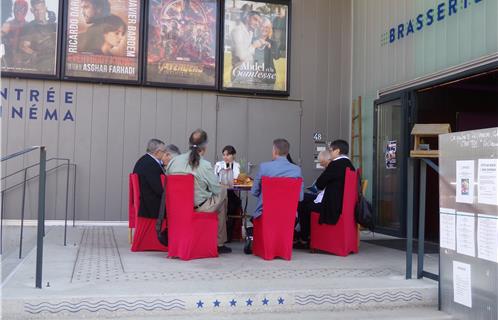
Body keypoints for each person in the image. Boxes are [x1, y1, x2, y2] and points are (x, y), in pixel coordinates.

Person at [167, 129, 232, 254]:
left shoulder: (173, 162)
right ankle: (219, 242)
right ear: (205, 146)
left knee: (218, 198)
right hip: (198, 207)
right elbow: (215, 189)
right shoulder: (205, 165)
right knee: (223, 192)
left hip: (176, 208)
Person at [295, 150, 332, 247]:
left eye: (322, 163)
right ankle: (303, 233)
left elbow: (320, 184)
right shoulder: (334, 168)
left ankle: (304, 235)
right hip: (323, 196)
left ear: (327, 159)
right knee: (301, 197)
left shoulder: (330, 169)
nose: (322, 165)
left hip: (324, 199)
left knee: (302, 202)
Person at [17, 0, 57, 73]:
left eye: (41, 9)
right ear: (32, 11)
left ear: (46, 8)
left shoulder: (54, 25)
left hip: (55, 65)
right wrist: (37, 54)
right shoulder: (29, 27)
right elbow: (23, 46)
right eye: (36, 10)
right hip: (40, 65)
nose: (39, 13)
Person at [133, 139, 167, 219]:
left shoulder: (143, 160)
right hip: (151, 206)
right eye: (164, 151)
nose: (165, 153)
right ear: (157, 152)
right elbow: (159, 190)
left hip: (145, 201)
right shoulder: (151, 165)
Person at [230, 10, 263, 81]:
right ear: (248, 17)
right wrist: (253, 46)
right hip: (239, 75)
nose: (257, 23)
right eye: (255, 19)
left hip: (248, 74)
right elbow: (241, 56)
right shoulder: (237, 31)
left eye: (258, 22)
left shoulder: (250, 32)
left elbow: (250, 54)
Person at [253, 17, 279, 88]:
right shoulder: (253, 40)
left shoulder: (273, 43)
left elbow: (276, 56)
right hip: (254, 75)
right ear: (259, 27)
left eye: (267, 27)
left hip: (268, 76)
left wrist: (269, 46)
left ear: (270, 29)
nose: (264, 29)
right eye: (262, 26)